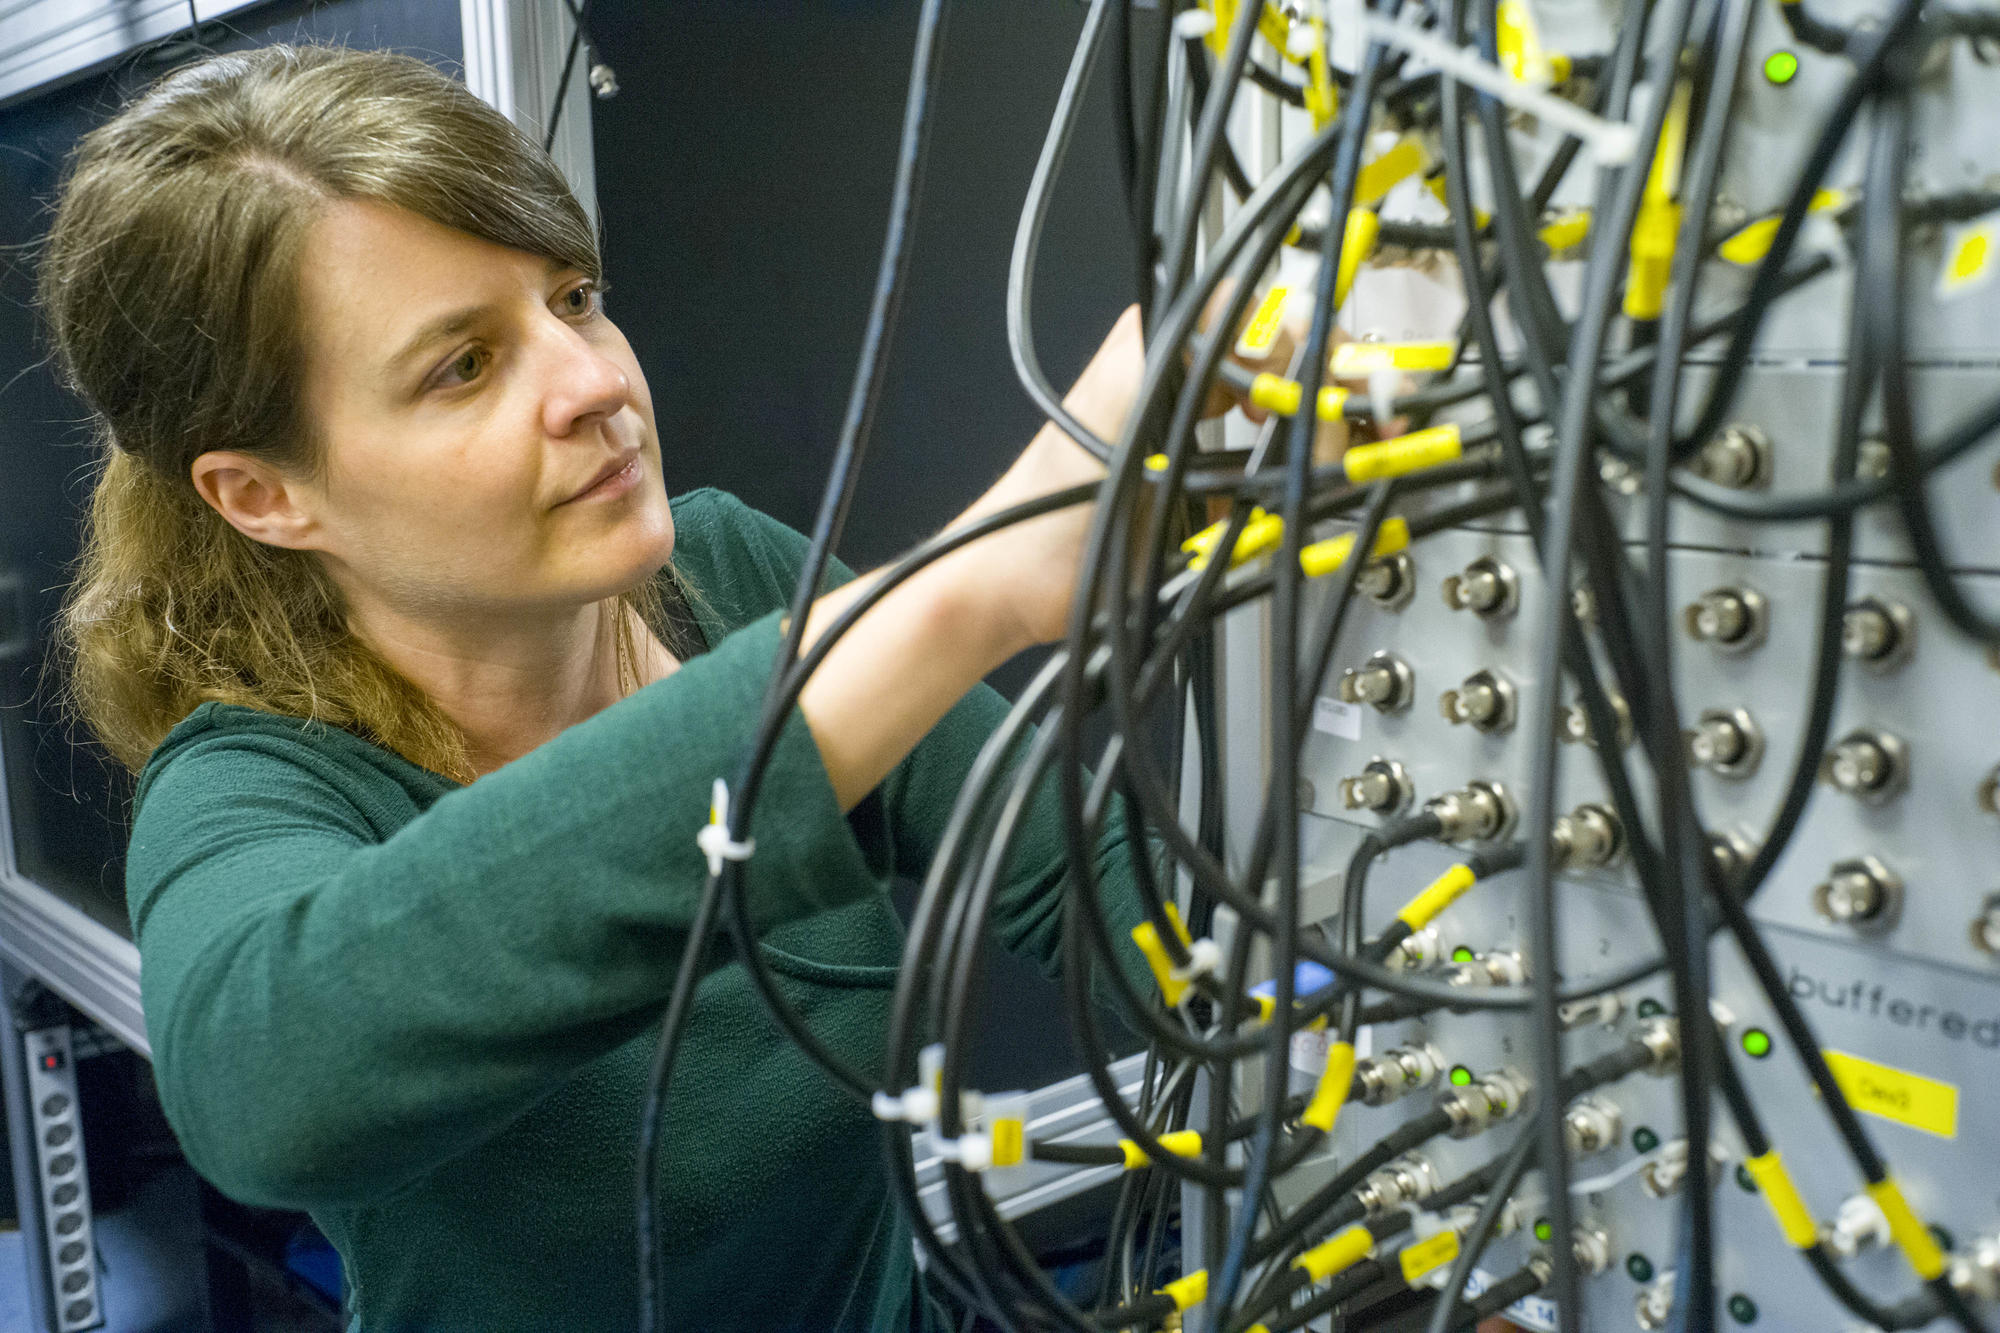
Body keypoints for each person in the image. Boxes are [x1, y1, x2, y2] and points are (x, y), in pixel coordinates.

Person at [42, 43, 1170, 1332]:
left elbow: (1108, 886)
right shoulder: (252, 785)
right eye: (463, 365)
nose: (596, 385)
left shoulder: (731, 576)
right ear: (265, 494)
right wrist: (974, 589)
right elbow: (263, 1089)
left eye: (573, 299)